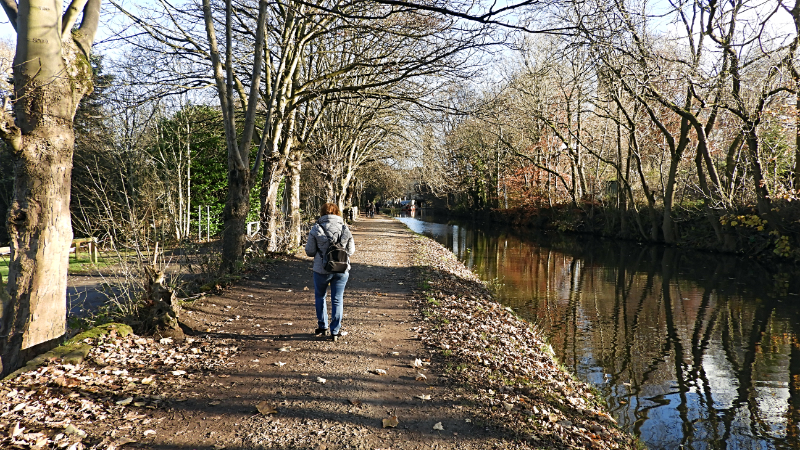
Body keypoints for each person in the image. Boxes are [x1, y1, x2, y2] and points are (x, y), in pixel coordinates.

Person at [305, 202, 356, 341]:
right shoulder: (345, 229)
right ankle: (335, 331)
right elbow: (351, 251)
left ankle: (322, 327)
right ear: (337, 213)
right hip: (341, 269)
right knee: (337, 299)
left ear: (322, 213)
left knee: (320, 297)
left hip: (321, 270)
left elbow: (309, 251)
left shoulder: (316, 228)